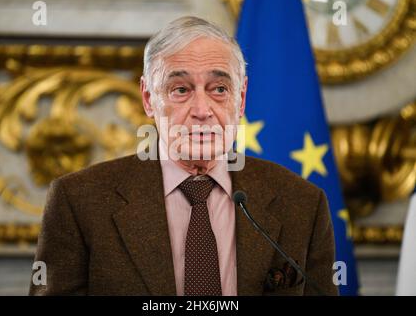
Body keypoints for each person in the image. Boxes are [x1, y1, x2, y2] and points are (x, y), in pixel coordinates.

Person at [29, 16, 338, 296]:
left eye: (219, 89)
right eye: (180, 90)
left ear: (241, 99)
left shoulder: (303, 204)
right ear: (149, 99)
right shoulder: (78, 201)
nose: (202, 111)